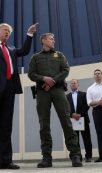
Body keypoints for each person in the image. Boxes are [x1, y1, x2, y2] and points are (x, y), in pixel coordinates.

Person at [28, 33, 82, 168]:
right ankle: (46, 157)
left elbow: (65, 70)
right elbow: (31, 74)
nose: (53, 41)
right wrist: (43, 79)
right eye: (51, 39)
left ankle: (75, 155)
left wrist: (52, 81)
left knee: (66, 121)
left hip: (58, 90)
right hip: (42, 93)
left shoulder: (59, 55)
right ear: (43, 41)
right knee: (44, 124)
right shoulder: (36, 57)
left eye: (53, 39)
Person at [0, 23, 38, 169]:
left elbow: (25, 50)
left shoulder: (12, 49)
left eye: (9, 32)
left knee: (6, 126)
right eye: (5, 30)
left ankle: (6, 160)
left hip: (9, 89)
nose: (7, 33)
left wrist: (29, 35)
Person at [66, 79, 93, 162]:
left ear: (78, 85)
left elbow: (87, 105)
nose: (73, 84)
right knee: (75, 140)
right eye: (72, 83)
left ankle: (88, 156)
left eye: (75, 83)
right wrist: (72, 114)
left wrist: (80, 114)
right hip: (73, 120)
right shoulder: (67, 96)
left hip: (83, 119)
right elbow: (65, 108)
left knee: (87, 139)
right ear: (70, 86)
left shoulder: (84, 94)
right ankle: (78, 157)